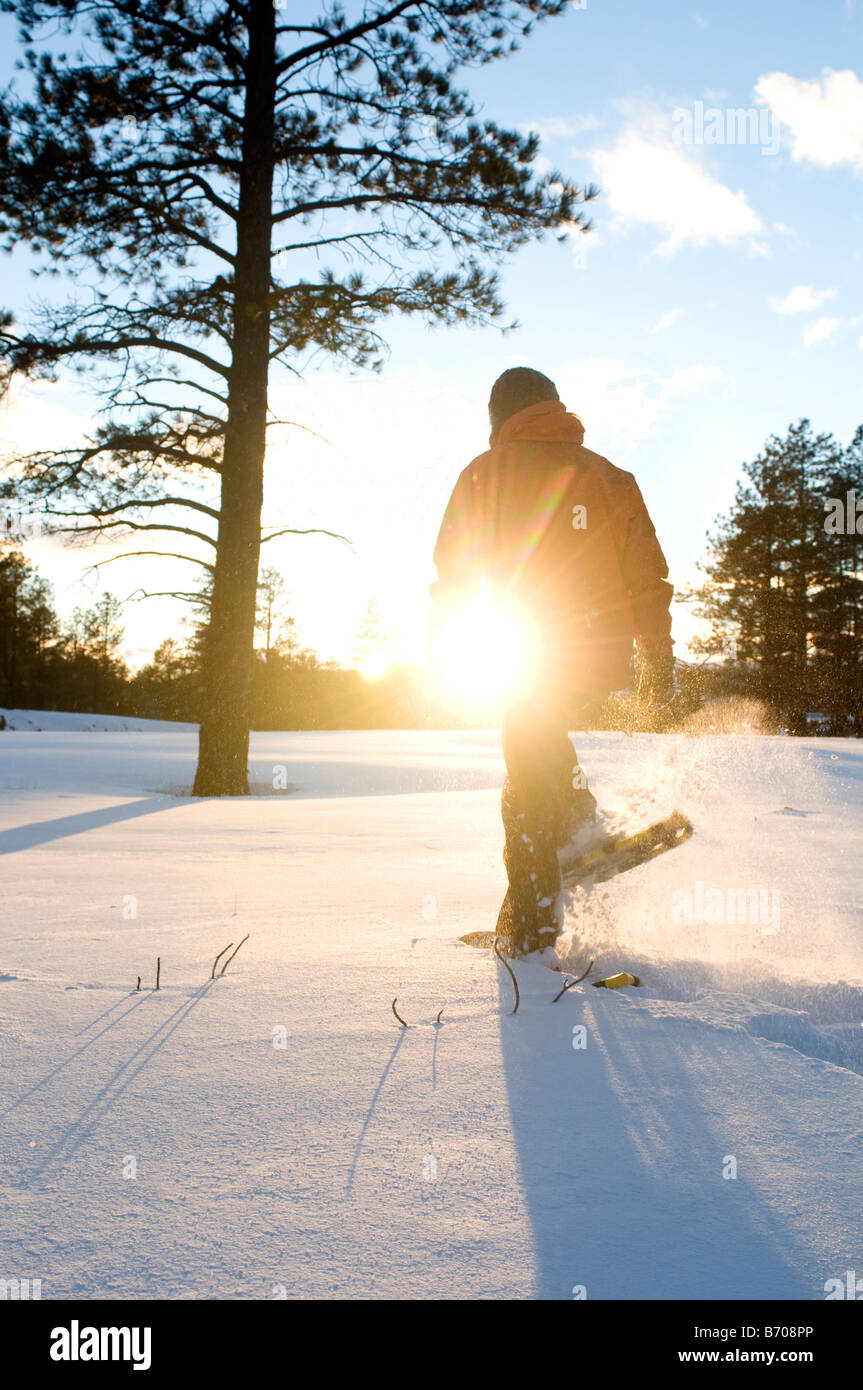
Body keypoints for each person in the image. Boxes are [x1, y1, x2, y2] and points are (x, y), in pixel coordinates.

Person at [431, 367, 674, 955]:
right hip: (596, 652)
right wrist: (656, 661)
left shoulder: (486, 473)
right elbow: (650, 580)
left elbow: (456, 573)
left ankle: (532, 931)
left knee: (525, 776)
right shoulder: (612, 478)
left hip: (525, 651)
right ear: (552, 407)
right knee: (534, 751)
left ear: (499, 417)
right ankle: (580, 835)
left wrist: (449, 652)